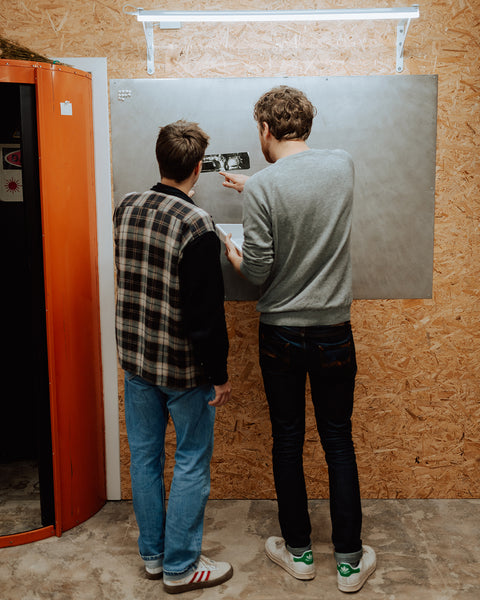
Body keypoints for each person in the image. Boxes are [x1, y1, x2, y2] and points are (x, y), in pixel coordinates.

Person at [221, 86, 376, 593]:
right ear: (306, 124)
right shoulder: (343, 165)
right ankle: (350, 562)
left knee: (288, 441)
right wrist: (255, 186)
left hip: (280, 336)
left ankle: (300, 555)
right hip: (334, 332)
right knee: (338, 440)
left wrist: (233, 252)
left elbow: (259, 271)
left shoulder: (266, 188)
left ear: (265, 129)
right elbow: (304, 190)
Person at [114, 120, 233, 594]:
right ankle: (181, 568)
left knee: (144, 459)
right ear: (198, 168)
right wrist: (219, 375)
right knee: (189, 461)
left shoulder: (126, 206)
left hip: (137, 361)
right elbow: (206, 315)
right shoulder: (198, 225)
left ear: (160, 159)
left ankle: (153, 557)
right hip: (183, 369)